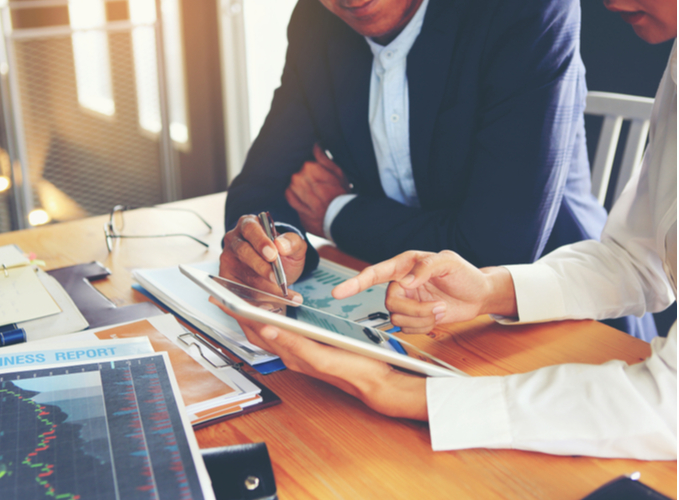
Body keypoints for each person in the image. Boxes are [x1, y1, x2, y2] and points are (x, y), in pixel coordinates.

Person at [218, 0, 676, 459]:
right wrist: (490, 290)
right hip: (462, 322)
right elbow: (638, 259)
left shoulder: (525, 13)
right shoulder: (318, 24)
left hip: (579, 342)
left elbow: (667, 408)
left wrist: (387, 386)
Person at [221, 0, 655, 339]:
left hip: (560, 320)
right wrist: (275, 249)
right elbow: (259, 187)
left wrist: (337, 212)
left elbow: (493, 250)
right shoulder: (317, 24)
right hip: (412, 315)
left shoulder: (523, 10)